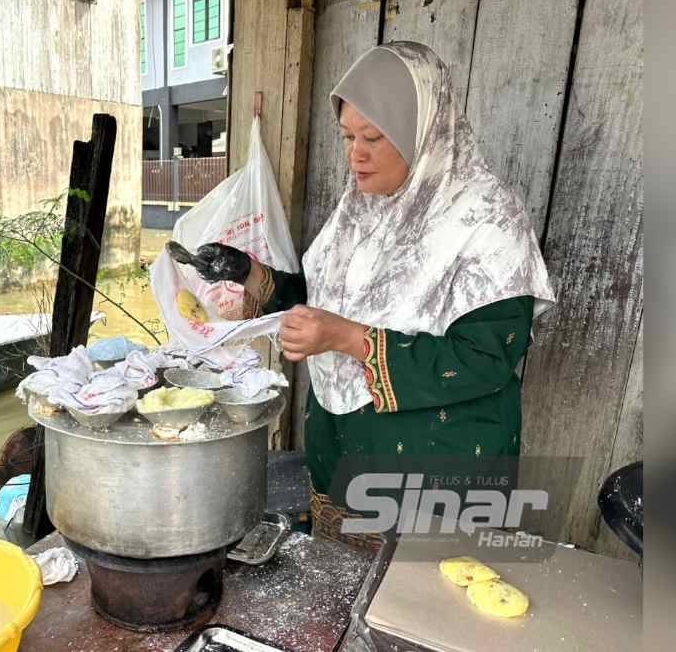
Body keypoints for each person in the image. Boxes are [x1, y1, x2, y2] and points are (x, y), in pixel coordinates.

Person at [185, 42, 556, 548]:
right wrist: (250, 274)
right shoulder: (361, 209)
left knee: (414, 611)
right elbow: (326, 300)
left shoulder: (487, 221)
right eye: (347, 136)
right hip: (342, 447)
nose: (355, 154)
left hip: (433, 466)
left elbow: (484, 357)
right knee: (339, 596)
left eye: (373, 137)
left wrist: (346, 338)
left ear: (422, 132)